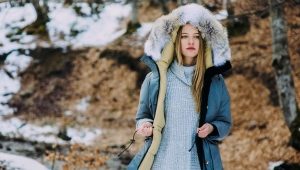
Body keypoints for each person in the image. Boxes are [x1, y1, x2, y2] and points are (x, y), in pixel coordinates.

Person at [128, 3, 232, 170]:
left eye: (197, 36)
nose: (191, 41)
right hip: (161, 163)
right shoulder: (156, 79)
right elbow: (144, 114)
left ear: (204, 41)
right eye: (184, 36)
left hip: (197, 164)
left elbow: (225, 122)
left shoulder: (215, 82)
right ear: (175, 40)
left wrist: (212, 128)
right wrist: (146, 125)